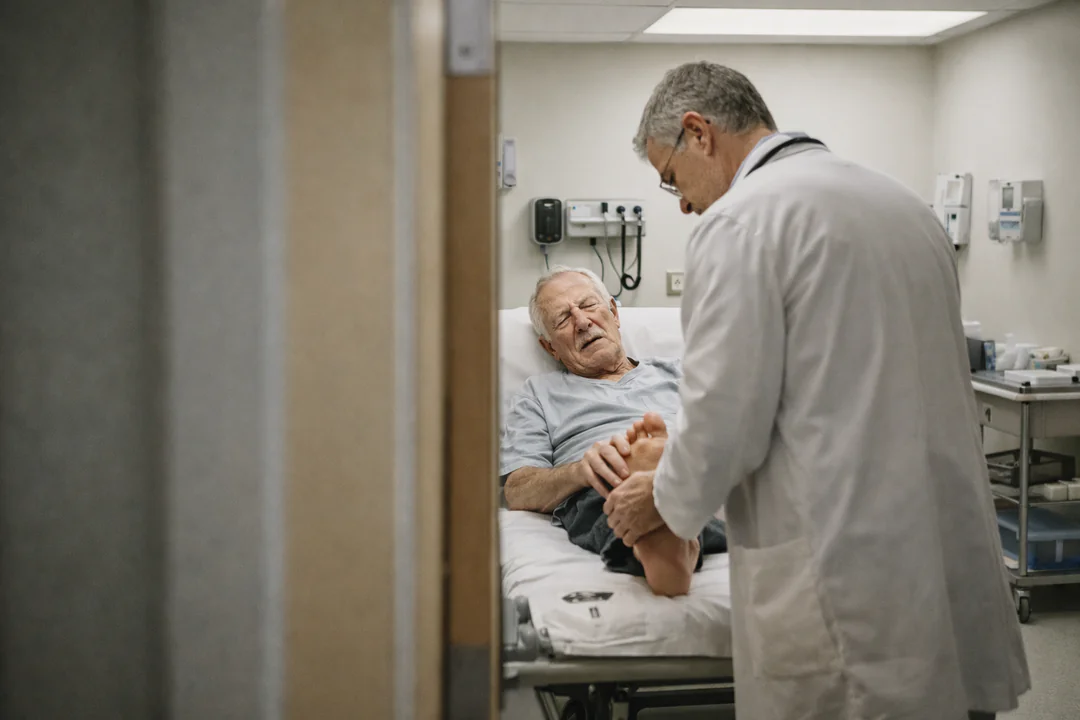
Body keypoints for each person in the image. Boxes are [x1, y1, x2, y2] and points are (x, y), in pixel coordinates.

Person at [601, 61, 1030, 720]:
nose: (682, 203)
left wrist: (658, 503)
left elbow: (723, 424)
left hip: (844, 572)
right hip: (946, 550)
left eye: (670, 179)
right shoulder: (904, 207)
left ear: (699, 133)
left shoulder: (740, 224)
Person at [500, 266, 726, 597]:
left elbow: (736, 436)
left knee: (681, 465)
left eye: (589, 305)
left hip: (695, 477)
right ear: (550, 348)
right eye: (563, 319)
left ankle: (665, 527)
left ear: (614, 312)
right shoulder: (537, 394)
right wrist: (582, 470)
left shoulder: (681, 373)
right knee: (625, 484)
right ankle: (665, 520)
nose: (582, 321)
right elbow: (517, 490)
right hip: (603, 488)